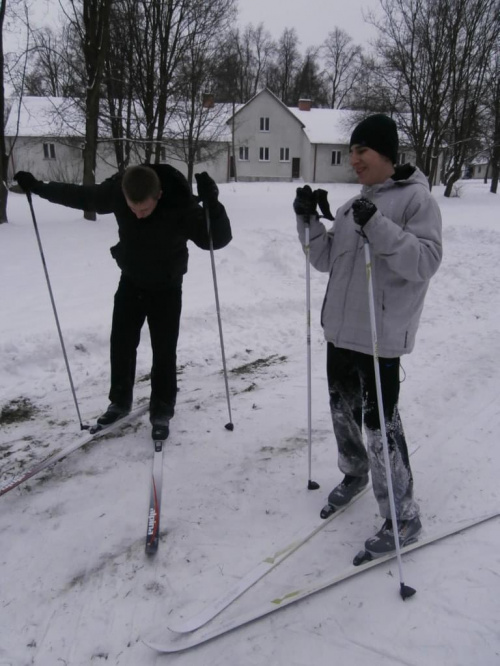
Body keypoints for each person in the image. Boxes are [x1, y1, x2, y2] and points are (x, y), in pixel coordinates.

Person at [293, 114, 442, 558]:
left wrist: (376, 224)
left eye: (363, 151)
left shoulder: (418, 202)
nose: (353, 159)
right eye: (352, 151)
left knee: (380, 427)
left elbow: (424, 262)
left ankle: (403, 515)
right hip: (341, 331)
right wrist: (308, 221)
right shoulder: (350, 206)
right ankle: (355, 473)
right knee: (343, 414)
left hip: (379, 337)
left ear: (386, 155)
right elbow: (325, 260)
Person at [15, 165, 232, 440]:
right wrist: (37, 187)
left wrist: (212, 202)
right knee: (121, 342)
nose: (138, 215)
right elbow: (82, 196)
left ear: (159, 195)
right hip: (131, 280)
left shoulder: (179, 202)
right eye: (133, 209)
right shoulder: (118, 192)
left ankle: (162, 407)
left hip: (167, 285)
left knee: (164, 349)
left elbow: (216, 239)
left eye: (145, 210)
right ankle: (119, 402)